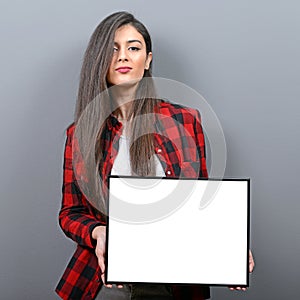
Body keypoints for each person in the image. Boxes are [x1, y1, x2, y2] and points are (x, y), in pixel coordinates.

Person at [56, 11, 254, 300]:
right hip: (107, 282)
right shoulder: (79, 134)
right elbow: (70, 213)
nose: (123, 56)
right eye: (113, 49)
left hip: (176, 282)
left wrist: (226, 244)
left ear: (147, 59)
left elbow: (201, 203)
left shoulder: (185, 121)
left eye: (133, 48)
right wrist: (98, 232)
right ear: (100, 59)